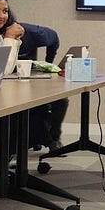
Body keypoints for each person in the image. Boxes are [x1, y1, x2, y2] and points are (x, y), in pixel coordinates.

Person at [19, 21, 68, 151]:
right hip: (7, 80)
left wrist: (48, 63)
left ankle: (54, 137)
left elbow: (54, 38)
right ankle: (41, 138)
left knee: (61, 101)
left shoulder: (34, 32)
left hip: (31, 76)